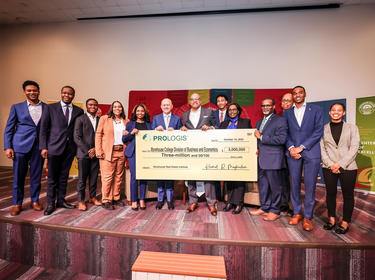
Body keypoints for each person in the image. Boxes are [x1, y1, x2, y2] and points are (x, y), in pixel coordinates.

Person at [283, 86, 323, 231]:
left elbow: (318, 131)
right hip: (293, 153)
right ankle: (296, 213)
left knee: (310, 185)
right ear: (292, 96)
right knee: (294, 184)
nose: (297, 95)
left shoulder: (316, 110)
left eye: (300, 92)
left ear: (305, 94)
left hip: (311, 152)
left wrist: (302, 147)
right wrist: (291, 148)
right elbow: (285, 133)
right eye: (295, 93)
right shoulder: (287, 113)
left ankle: (308, 217)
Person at [40, 85, 84, 215]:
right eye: (64, 93)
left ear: (73, 96)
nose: (67, 95)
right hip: (53, 147)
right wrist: (43, 147)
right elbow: (43, 129)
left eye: (70, 94)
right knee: (52, 178)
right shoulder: (50, 108)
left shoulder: (78, 111)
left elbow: (79, 131)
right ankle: (50, 204)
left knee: (64, 176)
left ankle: (61, 200)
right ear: (61, 93)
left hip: (70, 149)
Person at [4, 80, 46, 216]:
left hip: (39, 147)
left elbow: (49, 129)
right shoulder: (16, 107)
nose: (32, 92)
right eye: (29, 90)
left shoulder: (47, 108)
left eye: (34, 90)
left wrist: (46, 146)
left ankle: (35, 201)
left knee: (36, 176)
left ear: (38, 91)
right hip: (20, 146)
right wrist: (8, 146)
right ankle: (17, 203)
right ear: (24, 92)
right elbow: (9, 129)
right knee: (18, 177)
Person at [320, 103, 360, 234]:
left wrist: (340, 164)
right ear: (330, 112)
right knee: (330, 194)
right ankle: (331, 219)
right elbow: (322, 149)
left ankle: (345, 222)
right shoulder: (323, 129)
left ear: (344, 113)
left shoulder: (352, 128)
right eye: (333, 110)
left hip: (348, 167)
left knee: (348, 195)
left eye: (339, 110)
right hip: (328, 166)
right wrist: (331, 164)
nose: (336, 112)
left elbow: (354, 148)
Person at [250, 98, 287, 221]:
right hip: (261, 159)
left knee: (275, 187)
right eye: (263, 105)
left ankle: (275, 210)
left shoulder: (280, 121)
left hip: (274, 159)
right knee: (263, 185)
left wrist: (262, 137)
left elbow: (281, 139)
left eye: (268, 105)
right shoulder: (259, 122)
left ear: (273, 106)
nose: (265, 107)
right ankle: (264, 207)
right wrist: (258, 148)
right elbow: (258, 140)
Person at [181, 93, 218, 216]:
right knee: (191, 174)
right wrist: (183, 130)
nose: (195, 101)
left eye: (197, 99)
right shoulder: (184, 115)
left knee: (208, 175)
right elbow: (183, 130)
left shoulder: (209, 111)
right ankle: (193, 201)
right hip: (190, 150)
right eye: (192, 99)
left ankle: (211, 203)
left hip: (206, 149)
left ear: (200, 101)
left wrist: (210, 127)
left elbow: (217, 127)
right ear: (189, 102)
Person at [219, 103, 251, 214]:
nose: (232, 111)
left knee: (239, 180)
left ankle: (238, 203)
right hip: (226, 155)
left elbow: (250, 138)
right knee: (229, 180)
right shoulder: (223, 124)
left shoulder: (245, 122)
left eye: (234, 109)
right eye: (230, 110)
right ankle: (230, 202)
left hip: (241, 155)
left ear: (238, 111)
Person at [95, 101, 128, 210]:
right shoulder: (104, 119)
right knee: (107, 177)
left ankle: (116, 197)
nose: (117, 108)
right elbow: (98, 134)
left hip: (121, 151)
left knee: (118, 177)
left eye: (119, 106)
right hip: (108, 152)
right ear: (112, 108)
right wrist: (98, 150)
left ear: (122, 109)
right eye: (115, 106)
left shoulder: (126, 121)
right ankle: (106, 200)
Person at [151, 98, 182, 210]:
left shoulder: (177, 118)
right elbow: (150, 135)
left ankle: (169, 200)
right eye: (164, 105)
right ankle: (160, 200)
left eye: (168, 104)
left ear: (172, 106)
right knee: (160, 177)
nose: (166, 106)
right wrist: (155, 130)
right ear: (161, 106)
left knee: (169, 177)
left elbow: (182, 136)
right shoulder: (155, 118)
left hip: (171, 152)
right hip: (159, 152)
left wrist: (175, 131)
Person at [73, 98, 101, 211]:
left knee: (94, 178)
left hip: (96, 154)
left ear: (97, 106)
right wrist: (88, 150)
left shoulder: (100, 119)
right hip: (83, 154)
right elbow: (77, 137)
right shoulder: (80, 119)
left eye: (95, 105)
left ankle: (92, 197)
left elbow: (102, 137)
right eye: (90, 105)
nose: (93, 106)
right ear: (86, 106)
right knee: (82, 179)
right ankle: (81, 200)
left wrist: (95, 149)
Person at [123, 104, 151, 211]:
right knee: (134, 177)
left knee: (143, 176)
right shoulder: (130, 124)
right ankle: (134, 200)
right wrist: (131, 133)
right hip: (134, 153)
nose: (140, 113)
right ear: (135, 113)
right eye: (138, 111)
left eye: (142, 111)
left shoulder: (149, 124)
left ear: (145, 112)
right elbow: (124, 139)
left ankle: (142, 199)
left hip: (145, 153)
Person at [280, 92, 293, 213]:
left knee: (293, 180)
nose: (286, 103)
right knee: (283, 179)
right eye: (284, 101)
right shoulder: (280, 116)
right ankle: (285, 203)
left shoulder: (296, 116)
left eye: (288, 100)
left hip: (293, 152)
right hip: (280, 153)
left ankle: (293, 206)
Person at [213, 94, 229, 201]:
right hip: (215, 145)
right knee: (216, 172)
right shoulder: (212, 114)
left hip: (228, 145)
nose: (220, 103)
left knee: (228, 171)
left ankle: (227, 197)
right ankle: (218, 196)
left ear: (226, 102)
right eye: (218, 101)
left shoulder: (232, 112)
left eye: (222, 100)